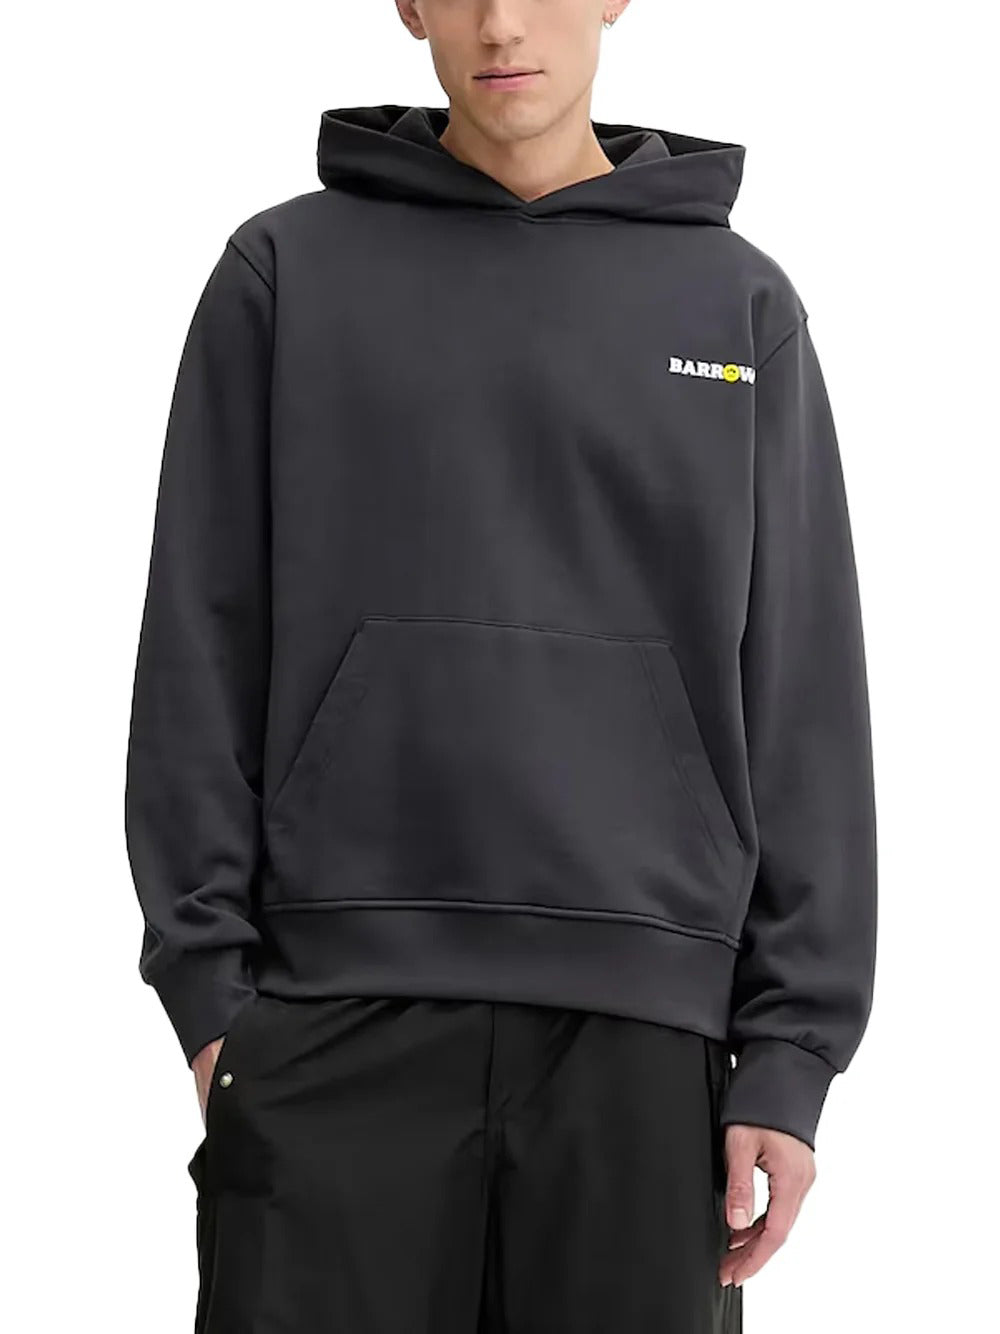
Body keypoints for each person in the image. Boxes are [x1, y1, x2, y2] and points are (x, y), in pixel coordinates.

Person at [123, 1, 878, 1329]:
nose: (500, 22)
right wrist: (214, 1000)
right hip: (328, 1023)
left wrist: (791, 1049)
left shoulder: (739, 304)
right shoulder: (284, 274)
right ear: (407, 6)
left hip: (646, 1046)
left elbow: (803, 690)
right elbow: (198, 642)